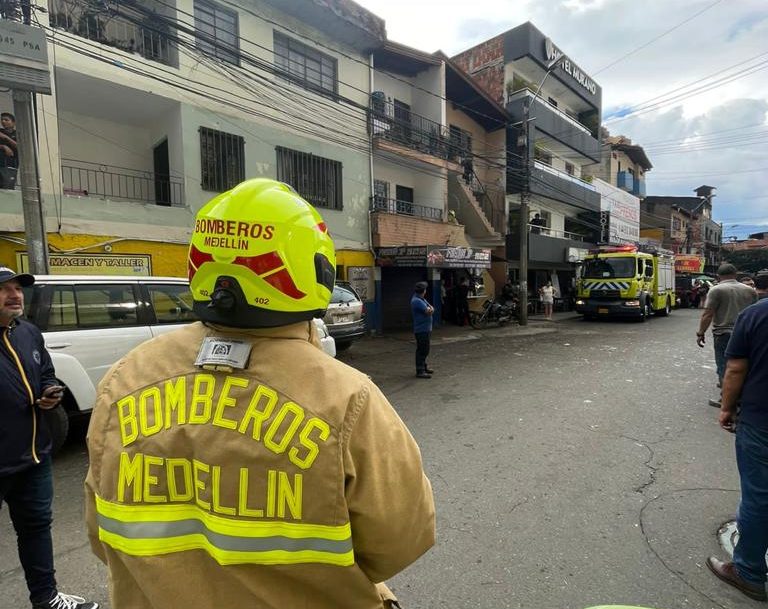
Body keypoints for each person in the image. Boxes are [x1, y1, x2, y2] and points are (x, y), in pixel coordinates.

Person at [84, 179, 435, 609]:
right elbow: (399, 544)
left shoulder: (124, 378)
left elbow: (102, 537)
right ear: (315, 271)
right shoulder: (347, 399)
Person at [0, 266, 99, 609]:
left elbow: (45, 372)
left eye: (17, 288)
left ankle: (46, 598)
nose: (14, 295)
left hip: (34, 457)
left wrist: (49, 391)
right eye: (3, 289)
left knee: (37, 529)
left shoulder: (27, 332)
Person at [706, 296, 768, 601]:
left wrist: (727, 408)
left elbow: (735, 370)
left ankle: (749, 572)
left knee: (759, 496)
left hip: (761, 420)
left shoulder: (757, 314)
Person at [696, 263, 757, 406]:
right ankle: (742, 397)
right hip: (747, 334)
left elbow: (708, 314)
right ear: (735, 275)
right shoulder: (750, 291)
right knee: (744, 365)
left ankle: (726, 400)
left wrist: (701, 333)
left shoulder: (716, 290)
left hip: (724, 333)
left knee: (724, 366)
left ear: (718, 276)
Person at [411, 281, 435, 379]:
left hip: (425, 329)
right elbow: (428, 311)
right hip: (421, 329)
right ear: (423, 291)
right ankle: (420, 370)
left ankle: (424, 367)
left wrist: (431, 309)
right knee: (422, 350)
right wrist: (430, 310)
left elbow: (431, 308)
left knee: (425, 349)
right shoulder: (416, 301)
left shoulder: (421, 299)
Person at [0, 112, 18, 189]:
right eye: (2, 120)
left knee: (7, 188)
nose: (3, 121)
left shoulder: (18, 134)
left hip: (10, 166)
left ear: (13, 123)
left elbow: (20, 147)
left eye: (6, 120)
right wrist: (3, 146)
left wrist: (6, 137)